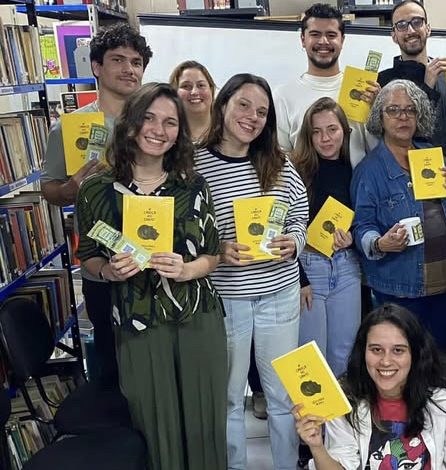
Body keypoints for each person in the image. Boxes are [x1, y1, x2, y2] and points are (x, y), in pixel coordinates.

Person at [75, 83, 227, 470]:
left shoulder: (192, 186)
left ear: (180, 132)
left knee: (204, 423)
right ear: (130, 123)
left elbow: (212, 254)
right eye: (149, 118)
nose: (159, 130)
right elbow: (88, 256)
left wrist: (187, 269)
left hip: (197, 317)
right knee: (155, 425)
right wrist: (108, 270)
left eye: (170, 122)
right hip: (137, 321)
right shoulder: (96, 190)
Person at [194, 73, 309, 470]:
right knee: (228, 397)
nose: (252, 117)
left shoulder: (279, 162)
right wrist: (216, 251)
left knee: (282, 394)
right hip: (227, 298)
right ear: (223, 104)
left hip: (279, 293)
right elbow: (185, 231)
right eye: (243, 105)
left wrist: (295, 242)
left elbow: (299, 216)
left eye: (262, 112)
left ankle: (286, 464)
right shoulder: (194, 164)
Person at [41, 23, 153, 387]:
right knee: (111, 361)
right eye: (118, 60)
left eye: (136, 62)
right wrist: (72, 188)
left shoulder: (156, 124)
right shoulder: (70, 127)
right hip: (101, 266)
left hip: (154, 260)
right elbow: (49, 190)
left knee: (154, 360)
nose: (129, 69)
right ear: (96, 66)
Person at [294, 303, 446, 469]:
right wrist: (317, 447)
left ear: (415, 354)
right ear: (363, 352)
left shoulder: (443, 400)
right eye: (376, 350)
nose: (385, 361)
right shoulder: (347, 400)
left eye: (398, 350)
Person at [351, 79, 446, 352]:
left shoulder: (438, 160)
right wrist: (379, 243)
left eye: (411, 110)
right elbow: (361, 225)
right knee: (403, 361)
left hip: (442, 287)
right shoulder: (369, 171)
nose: (403, 117)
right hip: (399, 288)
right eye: (393, 110)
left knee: (439, 361)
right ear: (380, 117)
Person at [291, 97, 361, 377]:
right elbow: (283, 228)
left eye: (332, 129)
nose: (325, 138)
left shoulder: (355, 169)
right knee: (311, 360)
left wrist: (352, 238)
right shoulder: (295, 171)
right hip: (308, 267)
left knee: (344, 356)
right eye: (316, 132)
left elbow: (363, 218)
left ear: (344, 130)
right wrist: (300, 279)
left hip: (346, 267)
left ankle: (341, 409)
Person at [378, 0, 446, 175]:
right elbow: (394, 138)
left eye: (417, 22)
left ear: (428, 28)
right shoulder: (384, 82)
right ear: (394, 35)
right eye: (402, 25)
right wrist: (427, 87)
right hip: (404, 183)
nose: (411, 30)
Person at [273, 2, 378, 168]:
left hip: (358, 183)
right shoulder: (283, 95)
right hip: (306, 184)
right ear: (303, 39)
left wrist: (377, 112)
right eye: (315, 34)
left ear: (342, 40)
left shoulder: (363, 90)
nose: (323, 41)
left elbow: (376, 150)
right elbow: (280, 156)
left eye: (331, 35)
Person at [169, 60, 216, 143]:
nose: (194, 92)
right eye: (186, 86)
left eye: (201, 85)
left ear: (211, 90)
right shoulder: (167, 136)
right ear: (174, 92)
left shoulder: (228, 132)